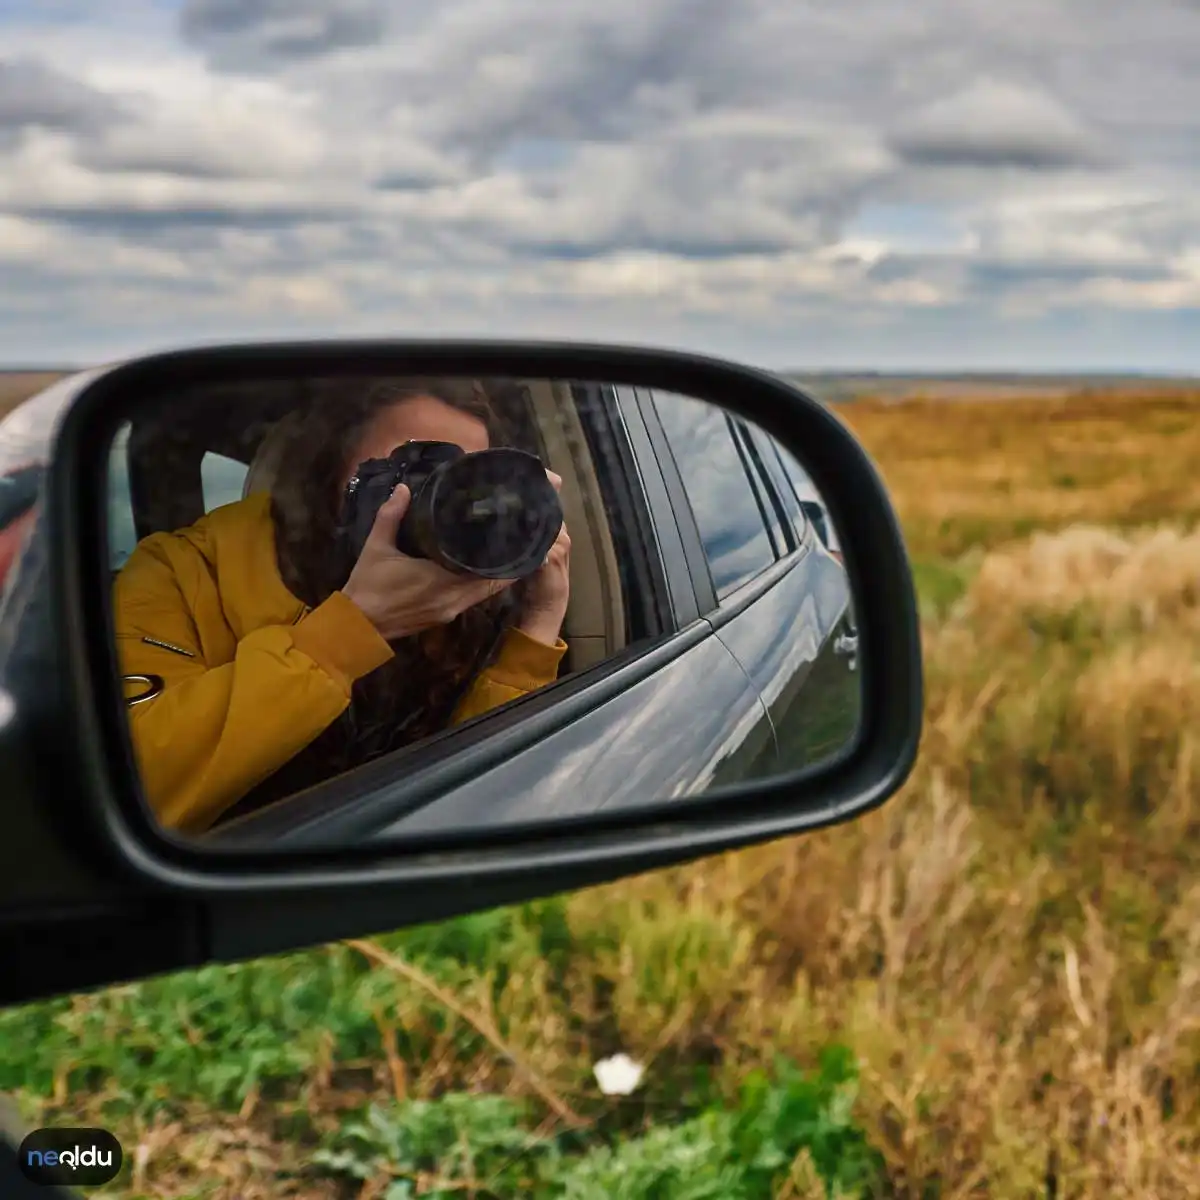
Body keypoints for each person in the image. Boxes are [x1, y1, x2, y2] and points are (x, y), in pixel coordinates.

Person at [112, 379, 571, 836]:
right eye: (418, 466)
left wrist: (538, 621)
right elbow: (131, 795)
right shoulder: (180, 572)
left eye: (464, 481)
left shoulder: (473, 592)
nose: (443, 499)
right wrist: (352, 629)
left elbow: (489, 808)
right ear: (329, 471)